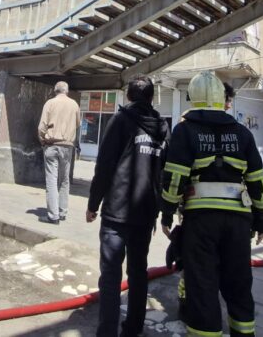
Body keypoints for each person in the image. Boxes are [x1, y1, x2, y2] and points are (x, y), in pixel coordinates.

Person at [160, 71, 263, 337]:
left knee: (202, 285)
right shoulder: (242, 133)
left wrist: (166, 213)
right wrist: (261, 219)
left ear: (192, 98)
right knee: (239, 283)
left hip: (201, 220)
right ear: (222, 99)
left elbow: (174, 176)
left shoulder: (185, 130)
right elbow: (257, 181)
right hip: (238, 221)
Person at [86, 75, 169, 337]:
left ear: (129, 97)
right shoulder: (163, 128)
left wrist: (93, 203)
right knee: (138, 273)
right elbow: (166, 172)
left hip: (117, 213)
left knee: (111, 276)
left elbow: (105, 165)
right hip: (146, 213)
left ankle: (107, 332)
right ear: (152, 98)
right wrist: (164, 211)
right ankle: (133, 329)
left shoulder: (121, 121)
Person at [37, 81, 81, 223]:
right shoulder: (74, 104)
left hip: (51, 145)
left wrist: (42, 140)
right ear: (66, 91)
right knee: (64, 180)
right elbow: (78, 123)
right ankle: (62, 212)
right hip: (67, 147)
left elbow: (42, 126)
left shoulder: (50, 103)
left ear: (55, 90)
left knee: (51, 180)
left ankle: (53, 216)